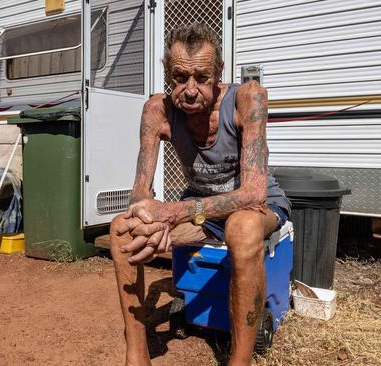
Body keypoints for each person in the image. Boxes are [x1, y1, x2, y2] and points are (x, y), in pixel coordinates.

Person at [109, 22, 291, 366]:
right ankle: (137, 355)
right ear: (168, 74)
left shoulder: (247, 99)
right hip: (203, 212)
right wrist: (148, 217)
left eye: (201, 78)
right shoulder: (156, 110)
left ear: (218, 73)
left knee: (242, 228)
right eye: (179, 78)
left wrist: (175, 212)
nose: (190, 90)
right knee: (121, 230)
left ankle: (240, 361)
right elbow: (139, 194)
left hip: (255, 207)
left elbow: (253, 192)